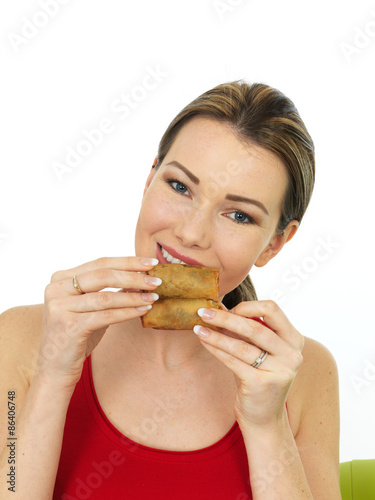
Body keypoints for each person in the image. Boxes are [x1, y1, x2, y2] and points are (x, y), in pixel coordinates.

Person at [0, 81, 341, 499]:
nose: (190, 232)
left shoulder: (305, 372)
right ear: (150, 179)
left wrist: (268, 427)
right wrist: (53, 377)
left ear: (275, 243)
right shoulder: (21, 336)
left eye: (238, 215)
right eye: (180, 186)